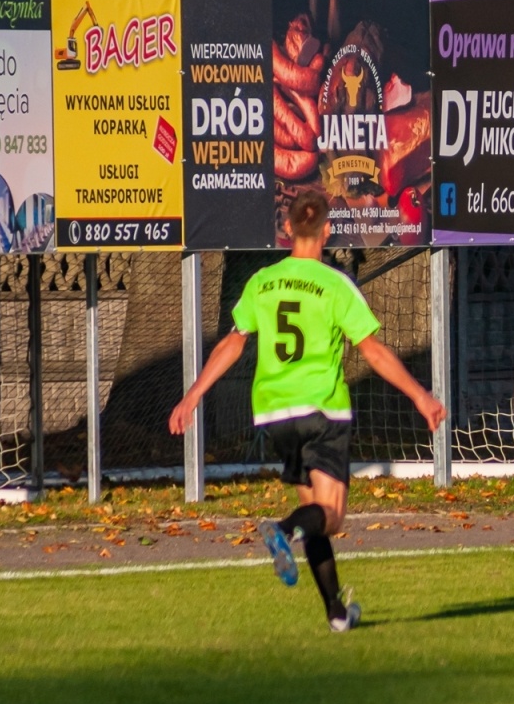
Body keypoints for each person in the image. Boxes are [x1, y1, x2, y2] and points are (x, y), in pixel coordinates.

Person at [169, 190, 445, 631]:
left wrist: (193, 395)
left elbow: (233, 342)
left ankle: (336, 612)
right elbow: (372, 350)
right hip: (322, 411)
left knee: (312, 514)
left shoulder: (262, 281)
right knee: (331, 518)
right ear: (328, 230)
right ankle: (282, 530)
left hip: (274, 413)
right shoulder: (335, 284)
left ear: (288, 228)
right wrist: (419, 395)